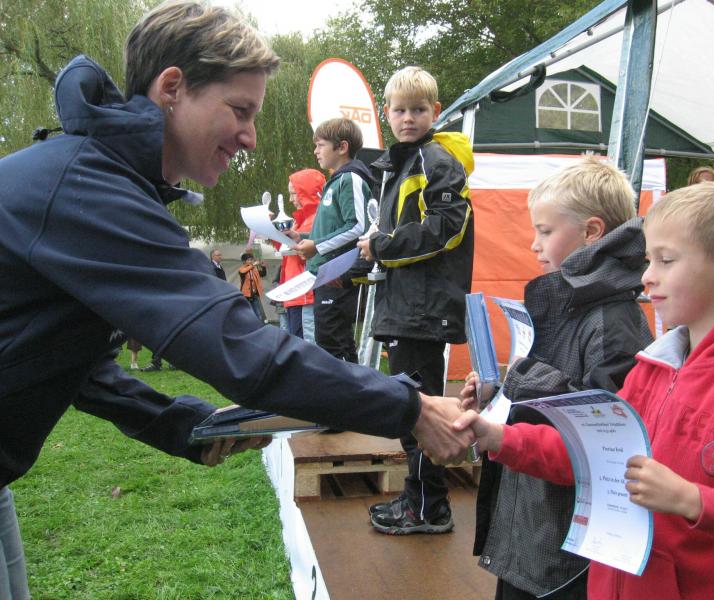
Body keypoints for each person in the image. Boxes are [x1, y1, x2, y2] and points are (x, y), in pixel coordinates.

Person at [0, 1, 472, 593]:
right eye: (240, 110)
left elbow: (80, 367)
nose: (250, 136)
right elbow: (239, 347)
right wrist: (413, 408)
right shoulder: (87, 189)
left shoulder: (96, 177)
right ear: (173, 88)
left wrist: (181, 423)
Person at [455, 181, 714, 600]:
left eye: (666, 260)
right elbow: (593, 453)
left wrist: (693, 501)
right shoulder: (651, 369)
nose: (648, 276)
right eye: (650, 260)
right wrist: (498, 437)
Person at [459, 156, 653, 599]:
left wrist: (523, 381)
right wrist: (497, 395)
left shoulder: (614, 321)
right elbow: (547, 392)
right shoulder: (562, 302)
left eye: (545, 231)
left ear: (591, 232)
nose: (533, 245)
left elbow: (606, 434)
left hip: (567, 553)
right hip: (532, 530)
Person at [357, 66, 474, 535]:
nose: (408, 118)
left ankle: (429, 506)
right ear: (386, 113)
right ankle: (420, 498)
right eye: (400, 110)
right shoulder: (401, 164)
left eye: (418, 110)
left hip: (423, 311)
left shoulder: (435, 160)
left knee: (422, 412)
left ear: (435, 112)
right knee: (412, 408)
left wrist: (382, 246)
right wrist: (372, 253)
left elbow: (448, 228)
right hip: (404, 306)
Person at [291, 118, 371, 362]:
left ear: (342, 147)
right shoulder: (336, 182)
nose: (315, 151)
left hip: (337, 272)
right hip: (326, 273)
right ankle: (349, 385)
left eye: (320, 145)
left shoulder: (351, 179)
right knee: (333, 340)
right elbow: (333, 230)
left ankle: (344, 386)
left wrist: (316, 246)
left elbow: (357, 226)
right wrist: (302, 237)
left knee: (332, 342)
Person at [281, 168, 325, 342]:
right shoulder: (300, 220)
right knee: (299, 343)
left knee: (306, 345)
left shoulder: (315, 220)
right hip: (296, 293)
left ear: (306, 193)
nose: (290, 199)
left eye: (294, 193)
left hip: (304, 294)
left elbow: (306, 254)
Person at [237, 252, 267, 323]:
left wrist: (263, 267)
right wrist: (253, 265)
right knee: (247, 311)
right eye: (248, 260)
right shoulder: (242, 269)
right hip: (246, 294)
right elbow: (243, 272)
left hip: (254, 294)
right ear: (244, 261)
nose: (250, 261)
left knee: (258, 312)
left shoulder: (254, 269)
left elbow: (263, 274)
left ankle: (258, 325)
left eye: (251, 259)